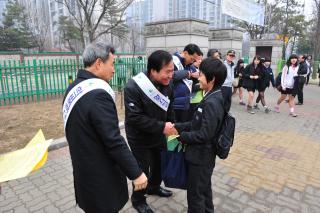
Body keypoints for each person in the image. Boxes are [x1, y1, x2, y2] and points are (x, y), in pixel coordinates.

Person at [62, 43, 148, 213]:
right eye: (112, 64)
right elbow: (113, 140)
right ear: (99, 63)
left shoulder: (73, 88)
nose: (114, 70)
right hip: (101, 176)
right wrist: (136, 173)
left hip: (84, 172)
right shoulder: (98, 95)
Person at [124, 50, 177, 213]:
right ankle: (138, 200)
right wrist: (162, 127)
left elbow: (169, 107)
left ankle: (154, 187)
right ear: (153, 70)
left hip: (158, 133)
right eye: (167, 71)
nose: (170, 75)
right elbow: (135, 118)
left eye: (172, 71)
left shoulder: (168, 84)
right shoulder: (133, 86)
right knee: (142, 169)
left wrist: (172, 125)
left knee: (160, 164)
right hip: (139, 136)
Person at [174, 58, 227, 213]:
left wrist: (182, 136)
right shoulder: (212, 95)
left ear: (212, 79)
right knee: (204, 190)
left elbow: (205, 134)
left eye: (202, 75)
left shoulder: (212, 102)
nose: (199, 77)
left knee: (196, 196)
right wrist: (177, 127)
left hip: (201, 157)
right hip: (202, 156)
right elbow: (196, 122)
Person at [172, 43, 203, 122]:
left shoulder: (189, 65)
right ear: (185, 53)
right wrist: (188, 74)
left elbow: (190, 82)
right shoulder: (173, 60)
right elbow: (171, 76)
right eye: (192, 59)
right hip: (174, 104)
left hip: (186, 103)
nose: (192, 62)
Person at [188, 53, 203, 120]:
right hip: (193, 99)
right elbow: (190, 86)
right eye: (198, 59)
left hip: (200, 98)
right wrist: (202, 85)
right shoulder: (191, 69)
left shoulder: (200, 68)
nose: (200, 61)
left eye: (201, 59)